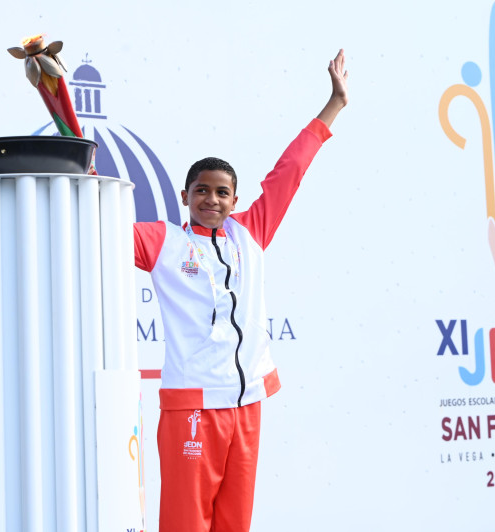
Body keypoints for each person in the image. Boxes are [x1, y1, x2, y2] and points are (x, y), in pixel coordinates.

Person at [133, 49, 349, 531]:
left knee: (235, 522)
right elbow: (100, 230)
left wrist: (333, 105)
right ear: (185, 196)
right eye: (201, 190)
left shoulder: (250, 233)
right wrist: (88, 189)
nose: (211, 199)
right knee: (186, 522)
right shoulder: (163, 241)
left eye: (222, 192)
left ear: (235, 199)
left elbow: (290, 170)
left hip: (247, 403)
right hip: (193, 407)